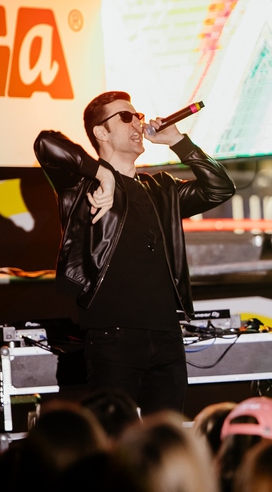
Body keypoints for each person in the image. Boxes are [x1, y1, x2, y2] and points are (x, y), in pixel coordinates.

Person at [34, 91, 235, 415]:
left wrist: (178, 141)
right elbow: (45, 143)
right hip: (113, 336)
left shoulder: (161, 189)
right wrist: (103, 175)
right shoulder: (83, 185)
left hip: (166, 335)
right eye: (126, 117)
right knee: (115, 436)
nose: (137, 123)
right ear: (100, 132)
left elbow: (219, 188)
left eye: (138, 116)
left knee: (166, 437)